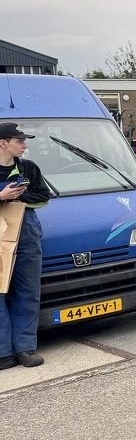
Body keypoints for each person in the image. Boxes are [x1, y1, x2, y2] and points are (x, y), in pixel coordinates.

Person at [0, 122, 51, 369]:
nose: (24, 145)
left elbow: (43, 197)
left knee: (27, 292)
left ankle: (25, 349)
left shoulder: (28, 168)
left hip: (27, 234)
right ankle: (3, 353)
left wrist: (19, 197)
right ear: (3, 143)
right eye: (19, 141)